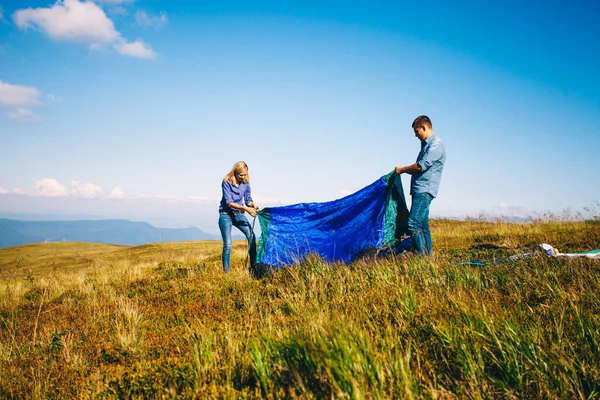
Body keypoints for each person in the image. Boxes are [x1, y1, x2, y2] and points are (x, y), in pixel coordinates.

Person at [395, 115, 446, 255]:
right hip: (419, 190)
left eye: (417, 132)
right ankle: (428, 257)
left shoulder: (436, 145)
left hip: (425, 190)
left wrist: (402, 169)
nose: (416, 136)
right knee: (423, 225)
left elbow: (420, 167)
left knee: (413, 223)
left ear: (424, 127)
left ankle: (420, 256)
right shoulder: (426, 146)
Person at [218, 161, 260, 273]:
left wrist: (252, 205)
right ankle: (226, 273)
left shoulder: (246, 183)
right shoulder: (226, 182)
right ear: (235, 173)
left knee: (252, 237)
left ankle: (253, 268)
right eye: (241, 175)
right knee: (228, 244)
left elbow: (248, 200)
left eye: (245, 174)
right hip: (226, 215)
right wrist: (246, 209)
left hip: (239, 215)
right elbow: (229, 202)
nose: (243, 177)